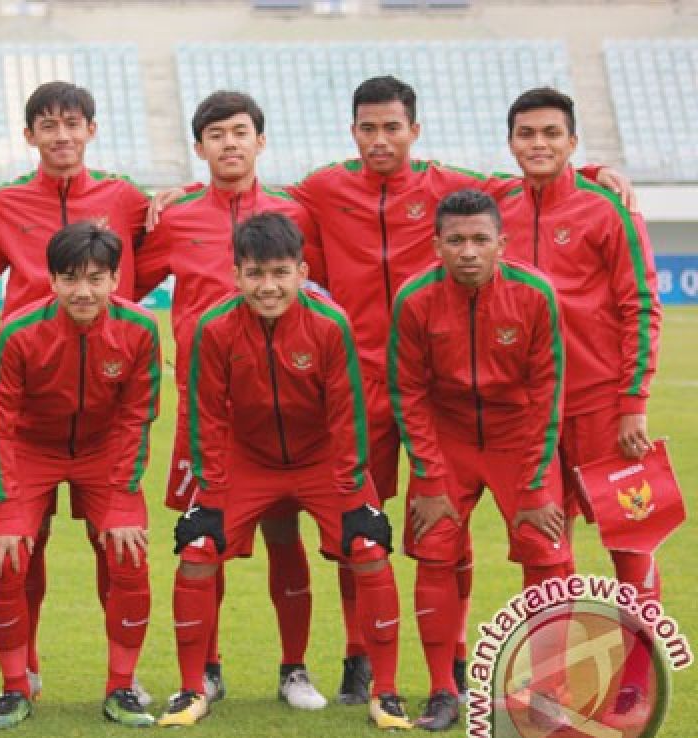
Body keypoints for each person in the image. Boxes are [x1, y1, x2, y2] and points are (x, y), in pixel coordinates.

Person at [149, 76, 634, 705]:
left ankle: (455, 663)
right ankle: (355, 656)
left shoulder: (440, 184)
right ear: (353, 133)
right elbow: (224, 195)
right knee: (356, 529)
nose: (381, 140)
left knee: (443, 530)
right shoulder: (319, 189)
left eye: (392, 127)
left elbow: (528, 173)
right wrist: (179, 192)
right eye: (369, 128)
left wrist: (592, 169)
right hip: (352, 388)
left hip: (437, 386)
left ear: (414, 130)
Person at [159, 213, 409, 731]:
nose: (267, 286)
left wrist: (351, 490)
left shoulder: (329, 323)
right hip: (248, 459)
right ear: (236, 275)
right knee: (199, 546)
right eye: (254, 274)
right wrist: (210, 489)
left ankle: (385, 693)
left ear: (302, 271)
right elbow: (204, 413)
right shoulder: (214, 328)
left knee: (367, 546)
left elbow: (348, 413)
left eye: (279, 273)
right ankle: (191, 689)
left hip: (321, 459)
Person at [135, 90, 327, 709]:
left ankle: (294, 669)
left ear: (260, 141)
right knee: (202, 537)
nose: (229, 143)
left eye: (240, 132)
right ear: (199, 148)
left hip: (286, 407)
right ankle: (207, 670)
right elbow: (121, 280)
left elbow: (318, 290)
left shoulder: (296, 212)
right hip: (204, 409)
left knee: (283, 533)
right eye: (216, 135)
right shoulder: (177, 216)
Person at [0, 81, 154, 703]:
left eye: (73, 123)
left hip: (103, 394)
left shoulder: (125, 197)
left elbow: (152, 256)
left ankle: (122, 685)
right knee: (20, 548)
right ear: (30, 136)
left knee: (122, 548)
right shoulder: (7, 202)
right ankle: (23, 675)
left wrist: (177, 199)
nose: (62, 135)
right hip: (30, 388)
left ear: (91, 130)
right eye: (47, 125)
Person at [498, 87, 662, 717]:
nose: (537, 144)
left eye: (549, 134)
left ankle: (636, 680)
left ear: (572, 142)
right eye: (525, 135)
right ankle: (552, 685)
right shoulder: (498, 207)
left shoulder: (606, 209)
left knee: (631, 539)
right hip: (530, 414)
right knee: (544, 544)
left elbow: (639, 305)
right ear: (510, 143)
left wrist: (633, 403)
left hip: (601, 405)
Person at [389, 189, 570, 732]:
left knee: (547, 552)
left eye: (479, 239)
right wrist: (429, 475)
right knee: (436, 549)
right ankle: (444, 691)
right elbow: (409, 393)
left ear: (501, 243)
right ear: (436, 245)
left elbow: (547, 392)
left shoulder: (536, 294)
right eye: (456, 240)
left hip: (518, 436)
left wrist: (537, 485)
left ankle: (548, 692)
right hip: (447, 438)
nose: (468, 251)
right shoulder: (415, 299)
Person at [0, 222, 160, 729]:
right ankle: (16, 686)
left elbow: (136, 418)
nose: (83, 291)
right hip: (30, 450)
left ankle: (122, 686)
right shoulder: (18, 332)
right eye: (70, 278)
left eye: (96, 278)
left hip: (104, 453)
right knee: (9, 557)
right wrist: (8, 505)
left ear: (115, 279)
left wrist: (124, 499)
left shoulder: (141, 330)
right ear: (52, 281)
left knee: (129, 553)